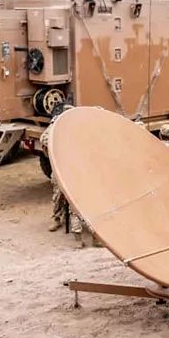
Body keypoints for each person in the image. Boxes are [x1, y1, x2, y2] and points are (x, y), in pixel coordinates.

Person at [41, 104, 103, 249]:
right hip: (62, 168)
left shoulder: (84, 128)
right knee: (59, 195)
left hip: (81, 171)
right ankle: (57, 218)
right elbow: (44, 140)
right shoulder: (56, 128)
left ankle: (89, 233)